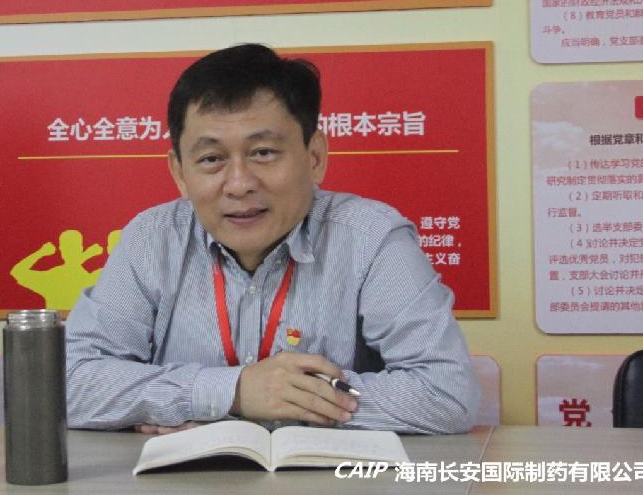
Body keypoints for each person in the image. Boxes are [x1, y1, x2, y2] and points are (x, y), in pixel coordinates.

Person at [65, 44, 479, 434]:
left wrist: (278, 401)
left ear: (314, 157)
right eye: (211, 159)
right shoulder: (151, 240)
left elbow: (445, 393)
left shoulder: (371, 239)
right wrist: (234, 392)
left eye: (263, 152)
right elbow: (67, 382)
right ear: (179, 173)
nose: (239, 184)